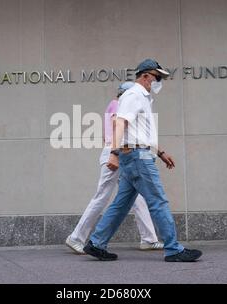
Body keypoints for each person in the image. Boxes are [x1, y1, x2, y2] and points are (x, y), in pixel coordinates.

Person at [83, 59, 203, 262]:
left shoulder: (144, 98)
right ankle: (174, 250)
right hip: (138, 157)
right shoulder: (134, 95)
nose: (159, 82)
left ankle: (96, 243)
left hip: (139, 155)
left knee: (121, 204)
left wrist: (160, 152)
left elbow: (142, 134)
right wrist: (114, 152)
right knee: (158, 201)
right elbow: (120, 123)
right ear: (145, 75)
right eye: (157, 77)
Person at [65, 82, 164, 254]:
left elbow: (107, 135)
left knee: (137, 197)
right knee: (102, 196)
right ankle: (76, 238)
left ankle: (149, 239)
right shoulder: (120, 105)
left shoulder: (113, 105)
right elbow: (118, 127)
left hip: (118, 152)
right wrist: (115, 153)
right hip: (117, 153)